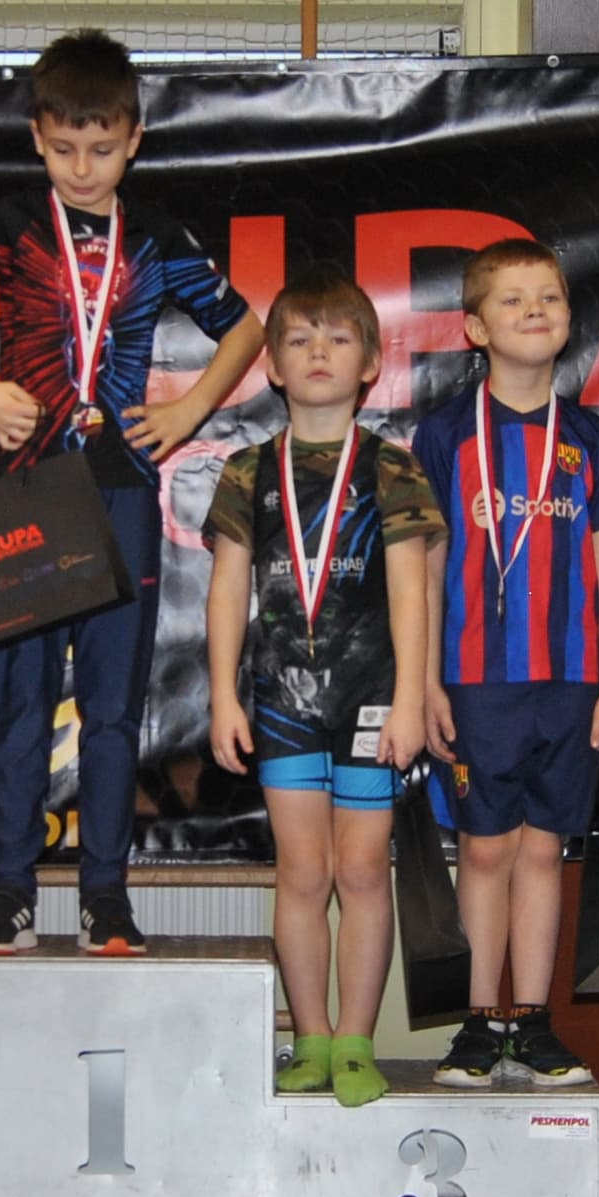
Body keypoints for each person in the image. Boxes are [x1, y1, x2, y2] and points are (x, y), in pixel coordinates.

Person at [0, 30, 266, 957]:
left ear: (134, 140)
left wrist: (186, 410)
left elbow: (245, 327)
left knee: (111, 709)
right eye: (64, 147)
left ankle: (106, 895)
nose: (81, 166)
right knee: (20, 705)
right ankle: (10, 894)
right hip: (28, 494)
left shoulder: (154, 236)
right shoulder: (11, 224)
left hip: (121, 494)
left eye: (101, 148)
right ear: (37, 137)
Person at [203, 271, 442, 1107]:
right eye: (300, 339)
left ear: (370, 363)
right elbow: (226, 588)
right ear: (271, 364)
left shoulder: (392, 466)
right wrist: (223, 695)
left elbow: (413, 592)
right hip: (283, 702)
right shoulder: (247, 470)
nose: (318, 353)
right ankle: (308, 1035)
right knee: (302, 872)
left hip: (372, 696)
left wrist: (411, 699)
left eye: (338, 339)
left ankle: (356, 1040)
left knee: (363, 870)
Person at [410, 238, 599, 1089]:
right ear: (475, 328)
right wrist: (425, 681)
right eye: (512, 298)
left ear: (569, 318)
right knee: (485, 852)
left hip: (571, 682)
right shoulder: (444, 436)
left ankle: (533, 1023)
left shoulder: (592, 439)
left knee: (543, 853)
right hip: (475, 682)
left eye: (548, 296)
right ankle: (477, 1024)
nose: (534, 309)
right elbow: (425, 567)